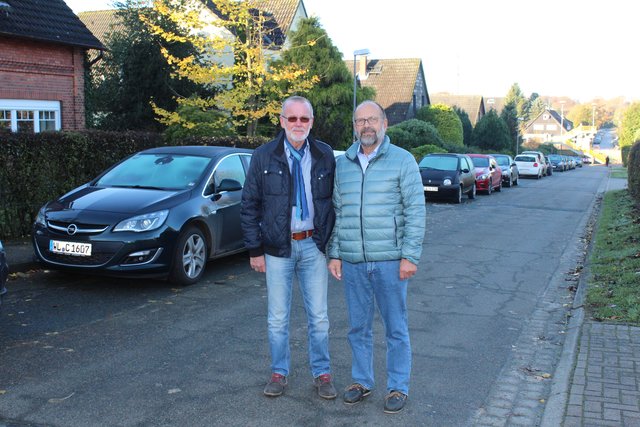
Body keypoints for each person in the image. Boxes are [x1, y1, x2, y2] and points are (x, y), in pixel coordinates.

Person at [328, 100, 426, 414]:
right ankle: (361, 381)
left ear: (384, 123)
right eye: (360, 121)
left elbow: (415, 211)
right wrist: (335, 253)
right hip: (354, 260)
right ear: (354, 126)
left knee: (395, 327)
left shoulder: (403, 160)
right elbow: (338, 212)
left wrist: (410, 255)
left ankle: (398, 386)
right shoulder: (343, 163)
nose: (366, 126)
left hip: (390, 260)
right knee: (358, 327)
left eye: (372, 119)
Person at [240, 96, 337, 399]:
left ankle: (321, 373)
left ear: (311, 122)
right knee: (278, 317)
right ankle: (279, 372)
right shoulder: (263, 156)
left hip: (313, 246)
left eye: (304, 119)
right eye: (292, 118)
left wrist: (333, 248)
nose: (298, 124)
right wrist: (255, 250)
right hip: (277, 248)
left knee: (319, 316)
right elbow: (249, 205)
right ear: (281, 121)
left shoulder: (325, 156)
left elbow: (335, 204)